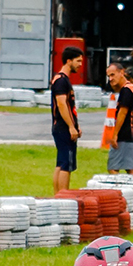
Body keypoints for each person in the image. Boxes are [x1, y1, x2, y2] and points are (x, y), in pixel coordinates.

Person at [51, 45, 83, 194]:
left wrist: (76, 125)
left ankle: (58, 195)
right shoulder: (61, 81)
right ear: (68, 61)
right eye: (78, 61)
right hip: (63, 127)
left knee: (61, 162)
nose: (80, 64)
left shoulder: (63, 80)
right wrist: (71, 126)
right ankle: (63, 196)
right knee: (66, 164)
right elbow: (62, 104)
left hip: (64, 126)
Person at [105, 62, 133, 174]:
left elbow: (123, 112)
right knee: (130, 169)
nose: (110, 79)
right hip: (132, 134)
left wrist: (115, 134)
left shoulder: (126, 90)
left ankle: (120, 189)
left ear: (122, 72)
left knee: (113, 168)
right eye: (108, 76)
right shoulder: (132, 88)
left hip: (125, 134)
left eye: (113, 75)